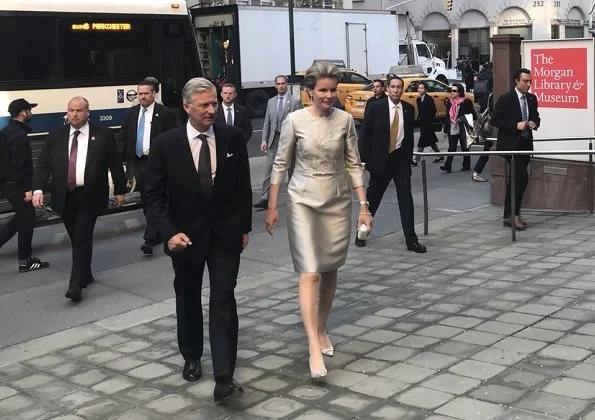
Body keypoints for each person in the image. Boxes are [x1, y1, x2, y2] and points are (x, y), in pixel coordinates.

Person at [144, 78, 252, 402]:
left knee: (223, 299)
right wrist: (168, 233)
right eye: (204, 105)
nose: (211, 110)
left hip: (224, 236)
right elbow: (152, 196)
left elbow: (242, 189)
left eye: (214, 103)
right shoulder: (167, 144)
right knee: (188, 297)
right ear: (187, 106)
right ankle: (191, 355)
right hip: (185, 238)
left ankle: (224, 376)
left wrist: (243, 228)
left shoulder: (232, 138)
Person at [265, 62, 372, 382]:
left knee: (329, 269)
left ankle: (322, 327)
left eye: (332, 90)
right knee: (309, 272)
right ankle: (313, 343)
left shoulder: (344, 121)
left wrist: (364, 206)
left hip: (337, 201)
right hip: (302, 201)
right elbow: (281, 164)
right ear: (310, 91)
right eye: (322, 90)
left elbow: (353, 164)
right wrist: (273, 205)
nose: (328, 95)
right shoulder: (294, 120)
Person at [32, 97, 126, 302]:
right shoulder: (56, 135)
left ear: (88, 112)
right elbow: (43, 164)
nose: (74, 114)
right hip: (64, 196)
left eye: (79, 110)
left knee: (82, 236)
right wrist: (38, 189)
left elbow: (114, 163)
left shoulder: (103, 134)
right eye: (71, 110)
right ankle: (86, 273)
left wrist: (120, 189)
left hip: (90, 195)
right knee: (76, 237)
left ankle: (75, 284)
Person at [357, 76, 426, 253]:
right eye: (393, 87)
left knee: (406, 198)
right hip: (380, 160)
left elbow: (409, 136)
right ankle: (361, 232)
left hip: (400, 160)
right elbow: (365, 135)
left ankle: (411, 240)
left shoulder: (409, 109)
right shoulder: (376, 107)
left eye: (399, 87)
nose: (395, 90)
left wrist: (408, 158)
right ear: (388, 89)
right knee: (373, 198)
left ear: (402, 90)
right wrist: (363, 160)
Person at [118, 78, 177, 255]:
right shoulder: (131, 113)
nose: (142, 97)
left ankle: (150, 238)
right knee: (145, 199)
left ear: (154, 94)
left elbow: (173, 138)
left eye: (146, 93)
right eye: (140, 94)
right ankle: (157, 231)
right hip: (138, 162)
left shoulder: (165, 113)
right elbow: (122, 136)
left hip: (156, 161)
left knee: (154, 198)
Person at [0, 99, 49, 272]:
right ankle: (25, 261)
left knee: (20, 219)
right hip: (19, 187)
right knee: (28, 221)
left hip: (8, 186)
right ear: (23, 112)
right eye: (30, 110)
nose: (31, 113)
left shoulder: (5, 131)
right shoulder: (19, 136)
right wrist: (27, 189)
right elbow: (20, 165)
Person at [492, 68, 540, 230]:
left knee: (515, 180)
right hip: (511, 146)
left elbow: (536, 116)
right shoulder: (506, 99)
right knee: (521, 179)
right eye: (525, 81)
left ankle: (507, 215)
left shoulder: (532, 99)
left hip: (525, 144)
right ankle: (514, 214)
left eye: (530, 81)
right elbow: (495, 120)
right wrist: (515, 125)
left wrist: (534, 123)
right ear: (516, 81)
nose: (528, 84)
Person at [254, 75, 302, 210]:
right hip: (274, 139)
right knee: (269, 169)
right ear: (275, 86)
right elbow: (266, 123)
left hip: (289, 140)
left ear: (287, 85)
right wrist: (264, 140)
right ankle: (265, 198)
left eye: (283, 83)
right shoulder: (271, 102)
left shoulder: (295, 101)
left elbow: (299, 122)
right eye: (278, 84)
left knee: (292, 169)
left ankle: (294, 197)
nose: (281, 86)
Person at [440, 83, 476, 174]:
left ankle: (466, 164)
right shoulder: (450, 102)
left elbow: (473, 115)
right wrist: (446, 130)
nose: (452, 92)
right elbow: (447, 117)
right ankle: (447, 166)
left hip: (462, 128)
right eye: (451, 91)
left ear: (460, 92)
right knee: (451, 147)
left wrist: (462, 118)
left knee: (465, 147)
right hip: (452, 127)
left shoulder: (466, 102)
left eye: (454, 91)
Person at [412, 81, 443, 167]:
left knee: (421, 142)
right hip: (422, 122)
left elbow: (433, 111)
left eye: (422, 88)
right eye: (419, 88)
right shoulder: (418, 99)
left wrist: (428, 119)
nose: (420, 90)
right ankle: (440, 155)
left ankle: (416, 160)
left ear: (425, 89)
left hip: (428, 123)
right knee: (431, 141)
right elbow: (420, 111)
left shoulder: (429, 99)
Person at [472, 83, 495, 183]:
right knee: (488, 149)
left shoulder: (487, 95)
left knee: (487, 149)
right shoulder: (494, 96)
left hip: (489, 128)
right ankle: (476, 172)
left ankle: (476, 172)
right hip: (493, 128)